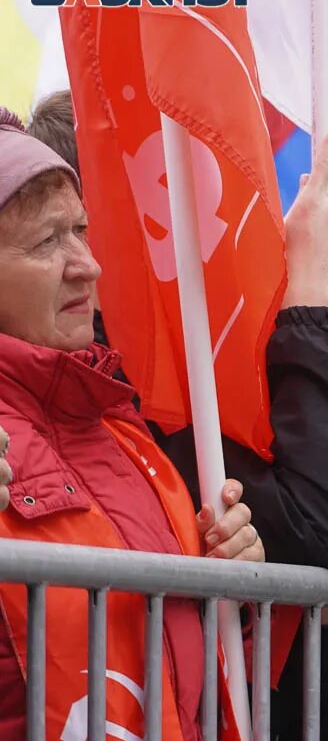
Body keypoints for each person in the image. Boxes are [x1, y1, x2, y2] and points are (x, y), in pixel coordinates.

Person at [0, 107, 267, 739]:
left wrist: (238, 581)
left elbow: (181, 660)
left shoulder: (117, 424)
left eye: (81, 231)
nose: (86, 266)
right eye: (45, 241)